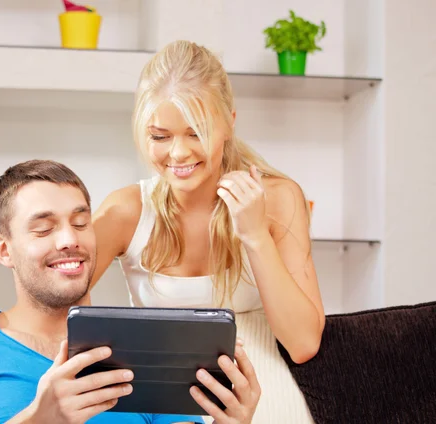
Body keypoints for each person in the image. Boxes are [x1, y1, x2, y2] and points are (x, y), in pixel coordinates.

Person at [0, 159, 261, 424]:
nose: (70, 240)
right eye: (44, 229)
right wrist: (41, 419)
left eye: (81, 223)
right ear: (3, 249)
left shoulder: (145, 344)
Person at [91, 40, 325, 423]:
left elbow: (302, 344)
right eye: (160, 136)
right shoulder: (126, 211)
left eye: (195, 132)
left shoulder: (279, 199)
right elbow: (57, 303)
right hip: (161, 413)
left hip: (267, 404)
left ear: (229, 122)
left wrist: (254, 235)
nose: (178, 153)